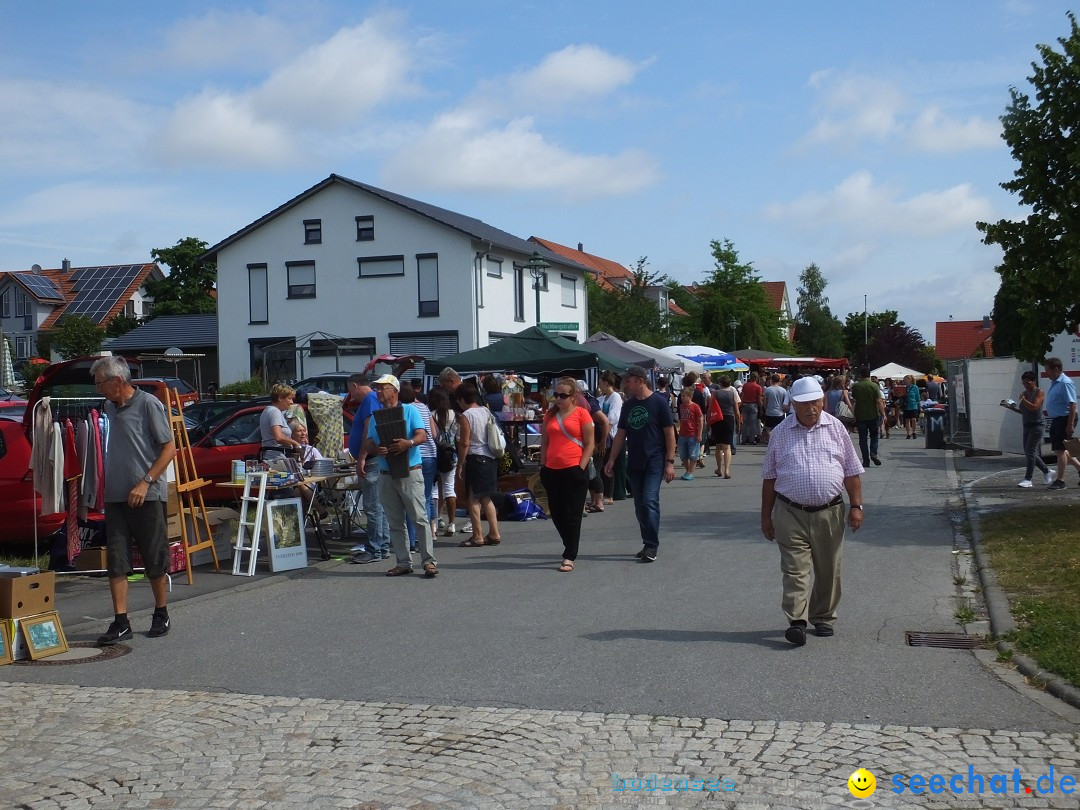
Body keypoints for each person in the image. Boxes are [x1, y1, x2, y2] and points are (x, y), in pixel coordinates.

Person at [760, 376, 864, 646]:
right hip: (789, 511)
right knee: (795, 569)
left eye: (815, 402)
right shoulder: (781, 432)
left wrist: (856, 506)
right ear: (793, 403)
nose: (810, 408)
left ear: (822, 401)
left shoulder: (836, 428)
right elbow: (770, 477)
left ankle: (823, 616)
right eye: (804, 403)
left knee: (829, 568)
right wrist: (765, 517)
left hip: (829, 511)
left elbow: (851, 471)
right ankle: (797, 620)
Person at [90, 356, 176, 645]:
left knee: (154, 557)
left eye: (100, 382)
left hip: (147, 494)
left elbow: (169, 449)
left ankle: (161, 612)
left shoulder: (149, 404)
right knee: (116, 559)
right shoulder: (109, 408)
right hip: (115, 496)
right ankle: (121, 621)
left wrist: (146, 482)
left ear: (117, 380)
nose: (97, 388)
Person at [363, 374, 438, 578]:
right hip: (386, 473)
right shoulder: (376, 416)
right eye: (376, 388)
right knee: (395, 521)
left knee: (419, 518)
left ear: (394, 391)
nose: (377, 391)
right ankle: (403, 562)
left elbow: (422, 434)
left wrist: (409, 443)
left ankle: (428, 561)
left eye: (381, 388)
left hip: (410, 471)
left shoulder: (410, 410)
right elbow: (368, 442)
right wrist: (377, 449)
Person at [603, 365, 676, 563]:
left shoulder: (659, 403)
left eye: (629, 380)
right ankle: (647, 543)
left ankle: (652, 545)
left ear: (640, 381)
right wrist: (611, 459)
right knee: (639, 505)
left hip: (655, 459)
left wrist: (670, 462)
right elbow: (621, 434)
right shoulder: (628, 405)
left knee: (649, 500)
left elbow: (670, 433)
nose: (625, 383)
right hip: (634, 460)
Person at [539, 377, 595, 572]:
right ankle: (569, 543)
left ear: (574, 397)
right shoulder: (550, 415)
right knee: (556, 512)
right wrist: (543, 465)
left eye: (563, 395)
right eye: (556, 395)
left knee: (572, 513)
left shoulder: (581, 413)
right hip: (552, 469)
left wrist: (581, 466)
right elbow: (545, 441)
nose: (559, 399)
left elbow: (590, 443)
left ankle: (570, 554)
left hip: (574, 468)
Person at [346, 373, 389, 564]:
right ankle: (382, 547)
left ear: (355, 385)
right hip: (373, 460)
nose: (350, 394)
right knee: (379, 507)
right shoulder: (371, 400)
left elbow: (368, 429)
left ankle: (375, 549)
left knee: (373, 508)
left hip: (371, 460)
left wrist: (361, 457)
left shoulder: (370, 400)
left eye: (350, 389)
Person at [456, 385, 502, 546]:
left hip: (475, 458)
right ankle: (494, 533)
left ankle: (477, 535)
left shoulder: (466, 415)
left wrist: (460, 464)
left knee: (473, 497)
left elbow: (465, 443)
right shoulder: (485, 410)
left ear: (462, 399)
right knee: (486, 496)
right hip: (490, 456)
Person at [400, 383, 439, 543]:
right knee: (427, 497)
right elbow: (434, 432)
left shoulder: (404, 410)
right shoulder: (423, 407)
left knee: (411, 499)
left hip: (415, 456)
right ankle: (429, 534)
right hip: (431, 453)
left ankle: (413, 539)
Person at [1006, 371, 1054, 488]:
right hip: (1027, 425)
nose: (1026, 385)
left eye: (1028, 383)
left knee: (1030, 451)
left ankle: (1028, 479)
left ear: (1033, 382)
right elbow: (1024, 411)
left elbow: (1034, 407)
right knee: (1029, 452)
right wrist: (1011, 407)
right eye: (1024, 383)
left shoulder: (1039, 392)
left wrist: (1024, 399)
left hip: (1037, 425)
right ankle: (1047, 471)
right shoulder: (1024, 393)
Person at [1044, 357, 1080, 490]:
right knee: (1062, 449)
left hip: (1065, 418)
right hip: (1057, 419)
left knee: (1060, 450)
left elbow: (1072, 405)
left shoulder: (1065, 382)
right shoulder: (1056, 382)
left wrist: (1069, 425)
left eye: (1048, 370)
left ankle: (1060, 480)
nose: (1047, 373)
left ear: (1056, 369)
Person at [428, 387, 459, 536]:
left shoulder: (431, 415)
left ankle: (434, 523)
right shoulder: (454, 415)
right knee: (449, 488)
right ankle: (451, 523)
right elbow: (458, 436)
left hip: (435, 454)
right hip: (451, 455)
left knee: (434, 490)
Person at [597, 371, 623, 503]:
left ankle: (609, 494)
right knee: (601, 464)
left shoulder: (615, 397)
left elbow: (612, 419)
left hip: (612, 434)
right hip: (603, 433)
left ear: (607, 383)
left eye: (601, 383)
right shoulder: (602, 398)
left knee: (608, 464)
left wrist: (604, 437)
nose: (599, 385)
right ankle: (602, 492)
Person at [851, 368, 885, 467]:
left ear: (860, 375)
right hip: (873, 414)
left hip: (860, 415)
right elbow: (878, 401)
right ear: (869, 375)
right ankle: (873, 453)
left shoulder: (856, 386)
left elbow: (854, 400)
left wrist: (853, 415)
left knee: (862, 438)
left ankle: (866, 460)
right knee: (874, 435)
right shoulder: (874, 385)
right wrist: (883, 414)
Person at [260, 383, 304, 458]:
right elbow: (278, 437)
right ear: (280, 398)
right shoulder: (274, 412)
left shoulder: (267, 410)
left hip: (270, 456)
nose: (292, 402)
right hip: (276, 457)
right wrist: (296, 444)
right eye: (289, 398)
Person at [711, 376, 741, 479]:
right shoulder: (732, 393)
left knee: (718, 446)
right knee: (727, 446)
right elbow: (736, 410)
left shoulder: (716, 393)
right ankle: (727, 470)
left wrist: (708, 422)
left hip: (717, 419)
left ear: (720, 383)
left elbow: (710, 407)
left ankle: (719, 469)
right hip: (729, 418)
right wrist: (739, 422)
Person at [676, 386, 703, 480]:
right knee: (683, 455)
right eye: (681, 396)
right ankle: (687, 471)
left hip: (693, 434)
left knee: (693, 455)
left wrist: (699, 434)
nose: (682, 398)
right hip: (683, 434)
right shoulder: (681, 406)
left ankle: (691, 472)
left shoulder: (695, 407)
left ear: (689, 396)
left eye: (684, 396)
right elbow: (680, 419)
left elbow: (700, 420)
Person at [761, 374, 789, 443]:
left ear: (772, 380)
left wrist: (765, 408)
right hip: (779, 413)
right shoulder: (783, 390)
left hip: (769, 412)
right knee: (779, 429)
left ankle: (771, 441)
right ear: (779, 380)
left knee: (768, 428)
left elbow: (765, 402)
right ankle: (778, 442)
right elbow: (784, 402)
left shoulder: (768, 390)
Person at [740, 372, 764, 445]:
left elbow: (742, 396)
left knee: (745, 423)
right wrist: (761, 408)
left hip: (745, 404)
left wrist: (741, 405)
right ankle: (752, 439)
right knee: (753, 423)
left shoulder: (745, 385)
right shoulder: (758, 387)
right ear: (756, 378)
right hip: (754, 405)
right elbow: (759, 399)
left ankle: (744, 439)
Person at [903, 375, 921, 439]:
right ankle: (908, 433)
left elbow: (917, 397)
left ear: (910, 380)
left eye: (906, 379)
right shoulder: (904, 388)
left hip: (913, 405)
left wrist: (919, 405)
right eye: (904, 380)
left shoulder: (914, 387)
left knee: (913, 419)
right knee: (907, 420)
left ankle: (914, 432)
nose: (905, 381)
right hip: (906, 405)